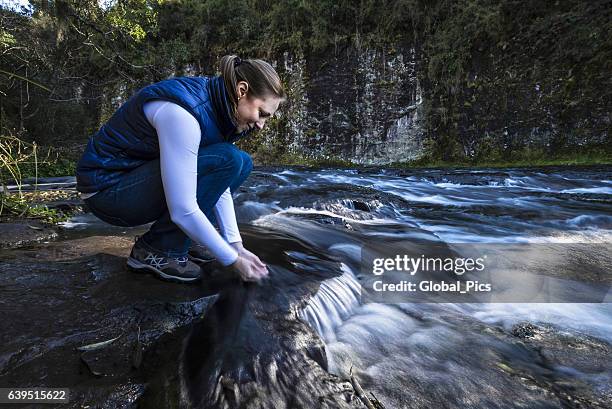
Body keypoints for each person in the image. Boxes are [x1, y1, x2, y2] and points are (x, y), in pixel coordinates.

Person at [76, 55, 285, 283]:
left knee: (241, 162)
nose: (261, 125)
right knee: (232, 158)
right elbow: (183, 209)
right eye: (262, 113)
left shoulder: (224, 110)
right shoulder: (182, 113)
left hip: (134, 181)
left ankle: (183, 238)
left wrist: (236, 245)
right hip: (107, 191)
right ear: (242, 90)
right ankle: (156, 251)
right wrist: (232, 260)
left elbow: (218, 181)